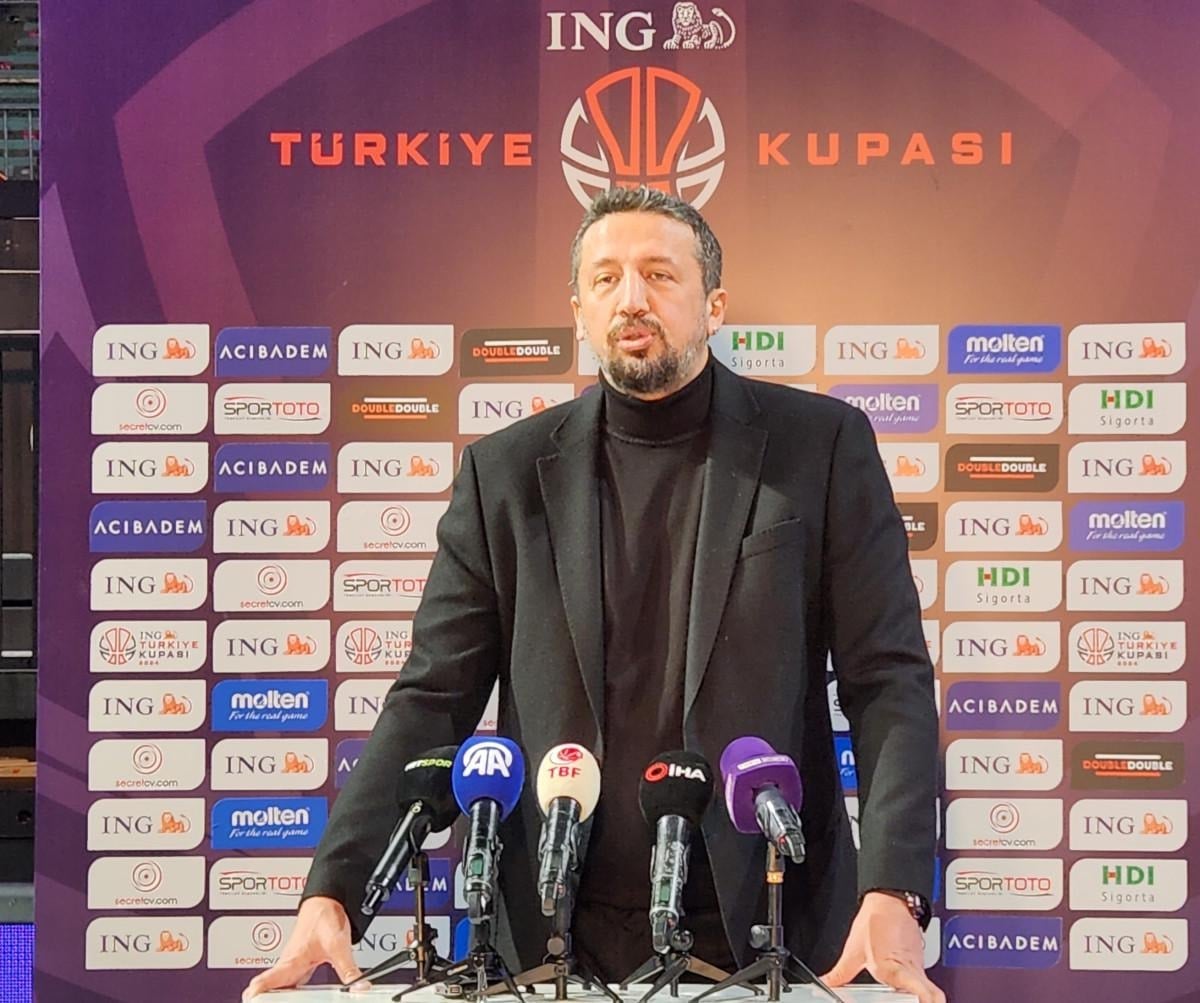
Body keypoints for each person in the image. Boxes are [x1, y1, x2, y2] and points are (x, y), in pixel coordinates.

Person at [243, 187, 943, 1003]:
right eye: (605, 279)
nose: (632, 298)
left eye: (660, 274)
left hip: (772, 925)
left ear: (714, 305)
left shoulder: (817, 447)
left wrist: (894, 889)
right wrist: (334, 889)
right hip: (553, 940)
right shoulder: (504, 474)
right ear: (579, 312)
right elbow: (432, 695)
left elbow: (887, 680)